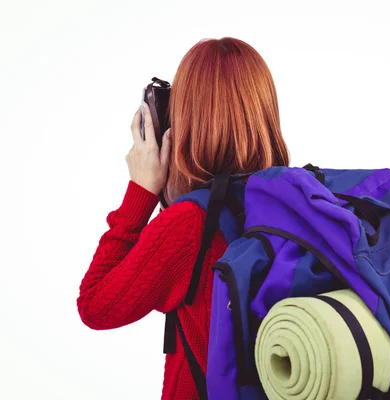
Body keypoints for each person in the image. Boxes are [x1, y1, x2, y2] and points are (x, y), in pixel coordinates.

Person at [76, 37, 290, 400]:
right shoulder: (293, 201)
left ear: (185, 116)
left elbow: (96, 306)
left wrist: (141, 192)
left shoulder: (189, 226)